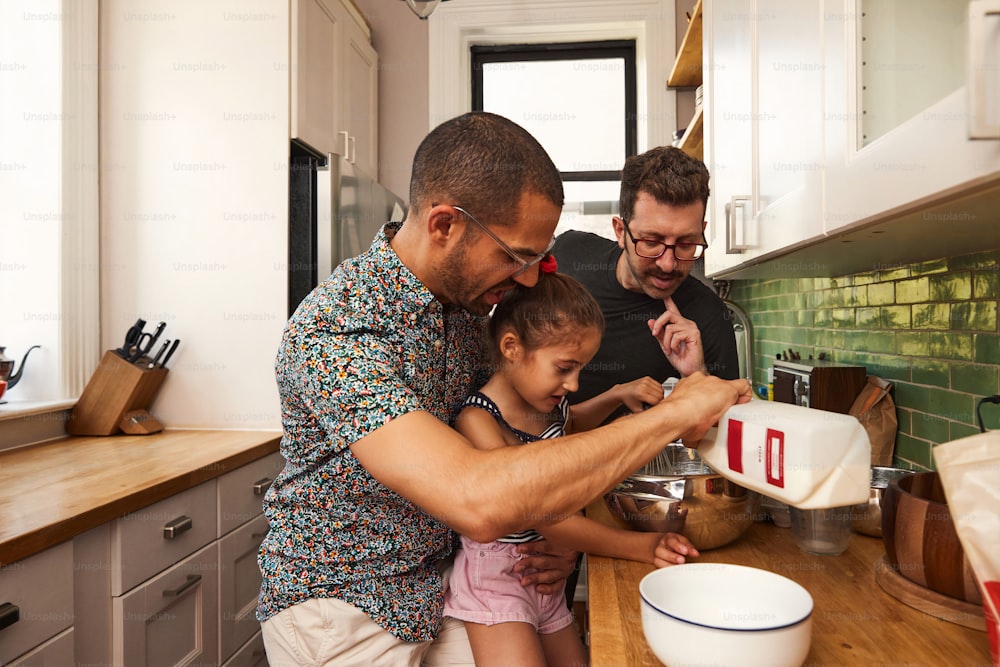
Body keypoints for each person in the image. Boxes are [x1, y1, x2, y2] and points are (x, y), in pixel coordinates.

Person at [257, 111, 751, 667]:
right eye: (517, 257)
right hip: (343, 614)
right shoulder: (337, 330)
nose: (527, 280)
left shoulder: (471, 309)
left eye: (538, 261)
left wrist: (555, 537)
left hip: (437, 588)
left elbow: (519, 450)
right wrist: (673, 414)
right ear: (445, 225)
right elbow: (477, 496)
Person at [444, 262, 700, 667]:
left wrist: (615, 394)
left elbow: (571, 421)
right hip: (494, 582)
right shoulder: (479, 420)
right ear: (511, 348)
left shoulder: (550, 401)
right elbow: (540, 512)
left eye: (580, 368)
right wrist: (642, 547)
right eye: (565, 368)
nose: (574, 384)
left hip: (543, 578)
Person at [552, 146, 740, 410]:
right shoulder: (567, 254)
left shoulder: (708, 316)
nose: (668, 264)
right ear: (620, 231)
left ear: (702, 232)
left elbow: (726, 431)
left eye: (686, 243)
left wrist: (696, 374)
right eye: (652, 242)